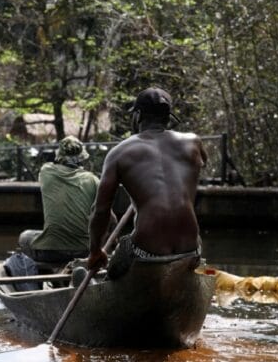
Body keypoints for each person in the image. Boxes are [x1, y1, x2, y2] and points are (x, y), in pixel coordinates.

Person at [87, 87, 207, 279]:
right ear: (168, 117)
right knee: (194, 239)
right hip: (190, 250)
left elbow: (101, 211)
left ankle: (105, 281)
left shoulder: (119, 153)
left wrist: (95, 252)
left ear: (138, 115)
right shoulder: (194, 142)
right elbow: (202, 164)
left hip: (147, 252)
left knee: (114, 267)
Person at [18, 136, 106, 265]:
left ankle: (37, 277)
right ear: (82, 158)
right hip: (84, 251)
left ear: (59, 155)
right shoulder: (93, 180)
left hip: (51, 251)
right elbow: (109, 219)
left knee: (24, 236)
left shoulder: (46, 171)